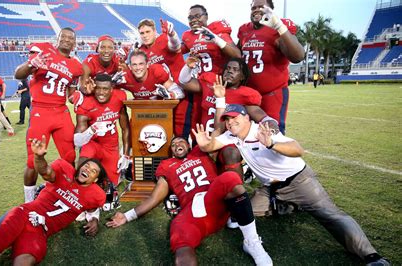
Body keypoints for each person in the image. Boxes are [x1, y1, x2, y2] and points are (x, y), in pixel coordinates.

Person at [193, 104, 391, 266]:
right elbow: (212, 145)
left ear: (247, 118)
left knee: (330, 215)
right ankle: (286, 206)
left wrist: (271, 143)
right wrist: (204, 144)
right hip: (271, 189)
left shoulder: (263, 131)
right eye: (227, 119)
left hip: (299, 181)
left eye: (234, 118)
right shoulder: (232, 135)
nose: (230, 122)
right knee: (242, 213)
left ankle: (371, 256)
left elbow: (297, 149)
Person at [106, 136, 272, 266]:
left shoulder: (199, 151)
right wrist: (127, 216)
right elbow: (156, 197)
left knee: (229, 177)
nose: (177, 144)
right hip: (193, 211)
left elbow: (220, 143)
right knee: (179, 234)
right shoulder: (167, 165)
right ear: (171, 151)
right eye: (173, 144)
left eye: (181, 141)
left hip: (214, 198)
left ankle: (251, 241)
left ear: (189, 145)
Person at [0, 135, 107, 265]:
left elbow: (93, 209)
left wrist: (94, 220)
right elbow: (46, 172)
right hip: (24, 215)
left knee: (24, 263)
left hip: (40, 231)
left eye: (93, 171)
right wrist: (38, 157)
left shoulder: (96, 195)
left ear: (95, 179)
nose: (87, 169)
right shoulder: (64, 169)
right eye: (86, 166)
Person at [14, 27, 84, 203]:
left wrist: (77, 96)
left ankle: (67, 195)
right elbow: (18, 74)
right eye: (64, 36)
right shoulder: (43, 50)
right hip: (40, 111)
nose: (67, 40)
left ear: (75, 43)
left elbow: (71, 93)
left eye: (71, 38)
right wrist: (32, 64)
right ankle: (29, 201)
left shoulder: (76, 65)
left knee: (69, 157)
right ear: (57, 38)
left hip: (61, 112)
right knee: (33, 160)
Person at [237, 0, 305, 134]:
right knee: (245, 135)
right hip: (248, 93)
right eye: (253, 7)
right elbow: (236, 56)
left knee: (272, 134)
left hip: (272, 93)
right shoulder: (244, 30)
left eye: (261, 7)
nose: (256, 10)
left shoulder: (278, 28)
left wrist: (279, 26)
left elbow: (298, 56)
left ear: (270, 10)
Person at [74, 74, 131, 211]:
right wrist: (92, 129)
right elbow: (77, 141)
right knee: (84, 163)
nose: (101, 92)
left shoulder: (120, 97)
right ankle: (78, 195)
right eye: (98, 88)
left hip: (111, 146)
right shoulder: (86, 103)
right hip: (92, 143)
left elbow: (125, 128)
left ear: (112, 88)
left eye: (105, 89)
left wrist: (126, 155)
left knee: (111, 185)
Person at [137, 18, 193, 138]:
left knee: (181, 131)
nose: (145, 36)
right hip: (162, 96)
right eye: (142, 33)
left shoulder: (163, 38)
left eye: (148, 32)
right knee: (161, 132)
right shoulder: (141, 51)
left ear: (154, 31)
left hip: (181, 89)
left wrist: (172, 34)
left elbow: (175, 46)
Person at [181, 5, 241, 76]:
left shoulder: (217, 30)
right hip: (199, 80)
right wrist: (172, 37)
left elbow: (237, 55)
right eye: (190, 18)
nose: (193, 20)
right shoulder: (188, 36)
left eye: (197, 16)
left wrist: (216, 39)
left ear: (206, 17)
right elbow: (175, 51)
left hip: (219, 81)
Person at [116, 49, 184, 100]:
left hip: (159, 112)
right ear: (130, 67)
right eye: (134, 64)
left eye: (141, 64)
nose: (138, 68)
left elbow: (180, 92)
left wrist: (169, 95)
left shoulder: (157, 73)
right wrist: (112, 83)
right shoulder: (126, 78)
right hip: (139, 113)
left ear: (147, 65)